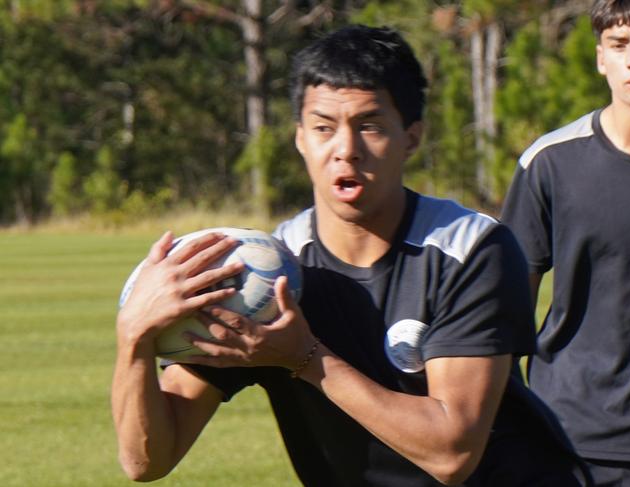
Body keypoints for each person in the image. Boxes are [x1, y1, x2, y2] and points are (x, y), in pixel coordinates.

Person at [112, 25, 589, 486]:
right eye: (324, 127)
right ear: (300, 137)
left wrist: (304, 357)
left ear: (413, 137)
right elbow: (146, 461)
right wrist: (134, 337)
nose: (346, 150)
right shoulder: (262, 276)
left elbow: (452, 453)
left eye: (371, 126)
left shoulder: (470, 250)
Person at [500, 1, 630, 485]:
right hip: (570, 438)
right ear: (599, 57)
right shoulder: (551, 163)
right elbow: (500, 313)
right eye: (619, 44)